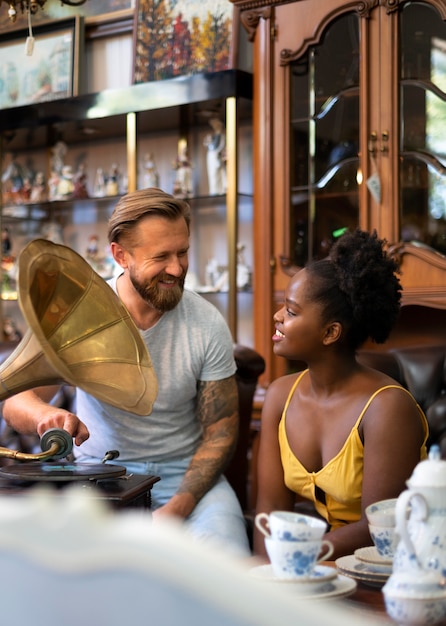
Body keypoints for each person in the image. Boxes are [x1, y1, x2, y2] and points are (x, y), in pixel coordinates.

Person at [2, 187, 250, 558]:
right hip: (98, 479)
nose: (178, 268)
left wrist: (177, 508)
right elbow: (16, 401)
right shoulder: (77, 318)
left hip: (186, 482)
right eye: (161, 256)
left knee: (229, 569)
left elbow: (221, 431)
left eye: (183, 252)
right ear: (120, 254)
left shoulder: (207, 323)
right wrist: (44, 415)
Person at [253, 229, 429, 560]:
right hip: (324, 564)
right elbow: (271, 511)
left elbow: (378, 529)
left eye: (291, 311)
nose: (277, 315)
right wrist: (265, 585)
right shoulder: (279, 396)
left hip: (394, 570)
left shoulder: (387, 407)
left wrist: (296, 556)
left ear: (331, 332)